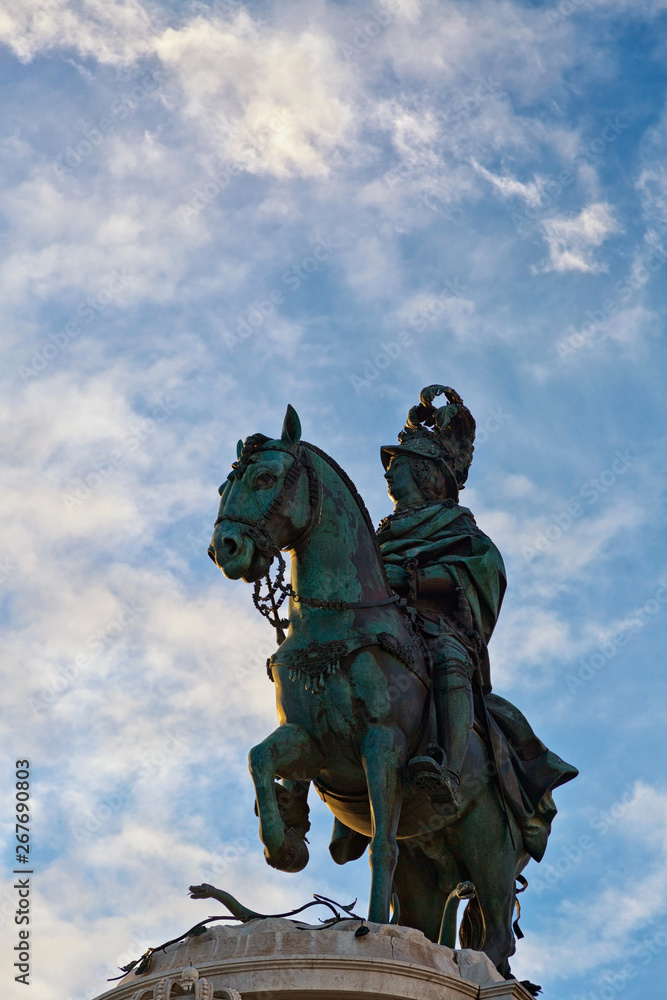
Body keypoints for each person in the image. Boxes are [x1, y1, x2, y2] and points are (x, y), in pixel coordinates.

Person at [377, 385, 506, 811]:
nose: (389, 472)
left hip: (437, 626)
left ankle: (448, 773)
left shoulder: (457, 526)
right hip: (382, 621)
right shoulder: (374, 532)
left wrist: (414, 580)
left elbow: (480, 572)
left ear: (426, 472)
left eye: (399, 464)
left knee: (451, 659)